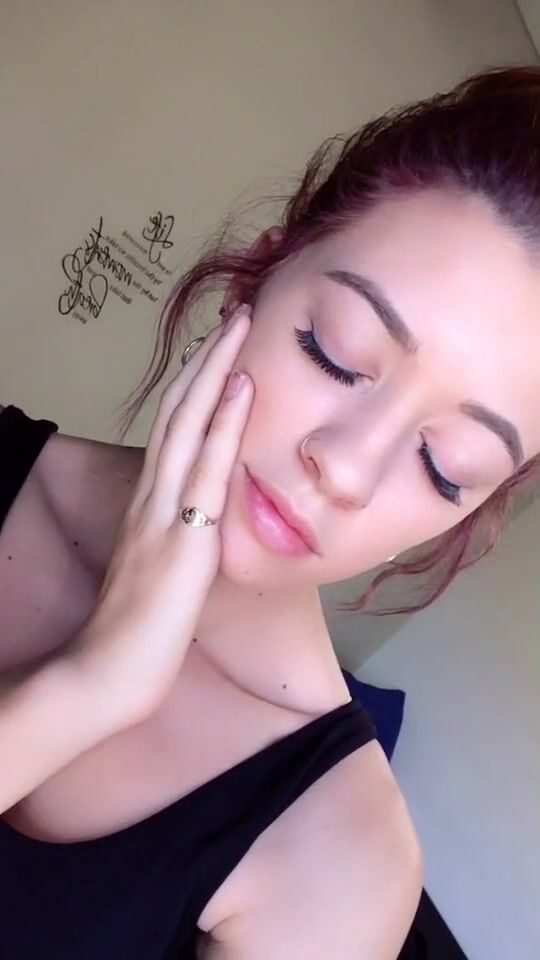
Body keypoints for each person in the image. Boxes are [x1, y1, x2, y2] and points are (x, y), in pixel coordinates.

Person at [1, 62, 539, 959]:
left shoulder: (345, 864)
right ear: (257, 273)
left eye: (447, 468)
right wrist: (90, 683)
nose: (347, 469)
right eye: (336, 353)